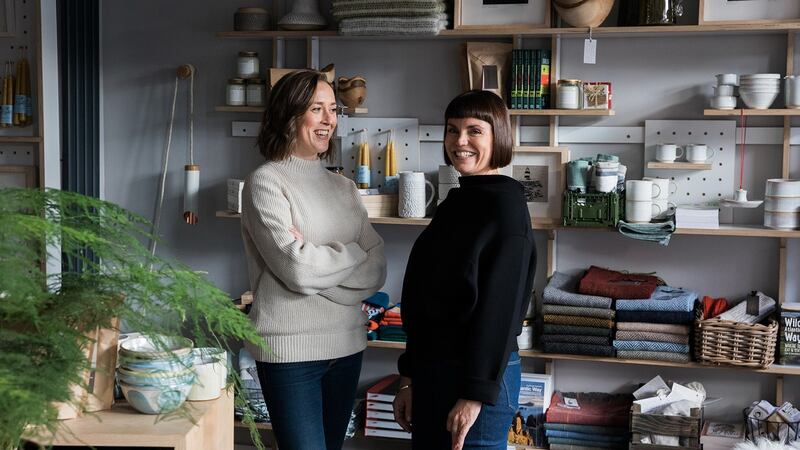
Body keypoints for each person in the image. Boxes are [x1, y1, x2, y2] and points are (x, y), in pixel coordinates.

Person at [240, 69, 387, 450]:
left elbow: (377, 269)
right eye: (316, 109)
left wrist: (318, 263)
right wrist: (353, 252)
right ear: (289, 115)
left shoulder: (345, 188)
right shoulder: (265, 182)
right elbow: (298, 270)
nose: (329, 120)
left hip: (347, 346)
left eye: (333, 109)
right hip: (291, 353)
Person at [393, 89, 537, 450]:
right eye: (452, 130)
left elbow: (500, 313)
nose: (460, 141)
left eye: (474, 131)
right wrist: (410, 378)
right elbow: (427, 300)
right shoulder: (458, 200)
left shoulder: (505, 207)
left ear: (497, 137)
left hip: (476, 379)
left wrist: (474, 395)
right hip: (434, 371)